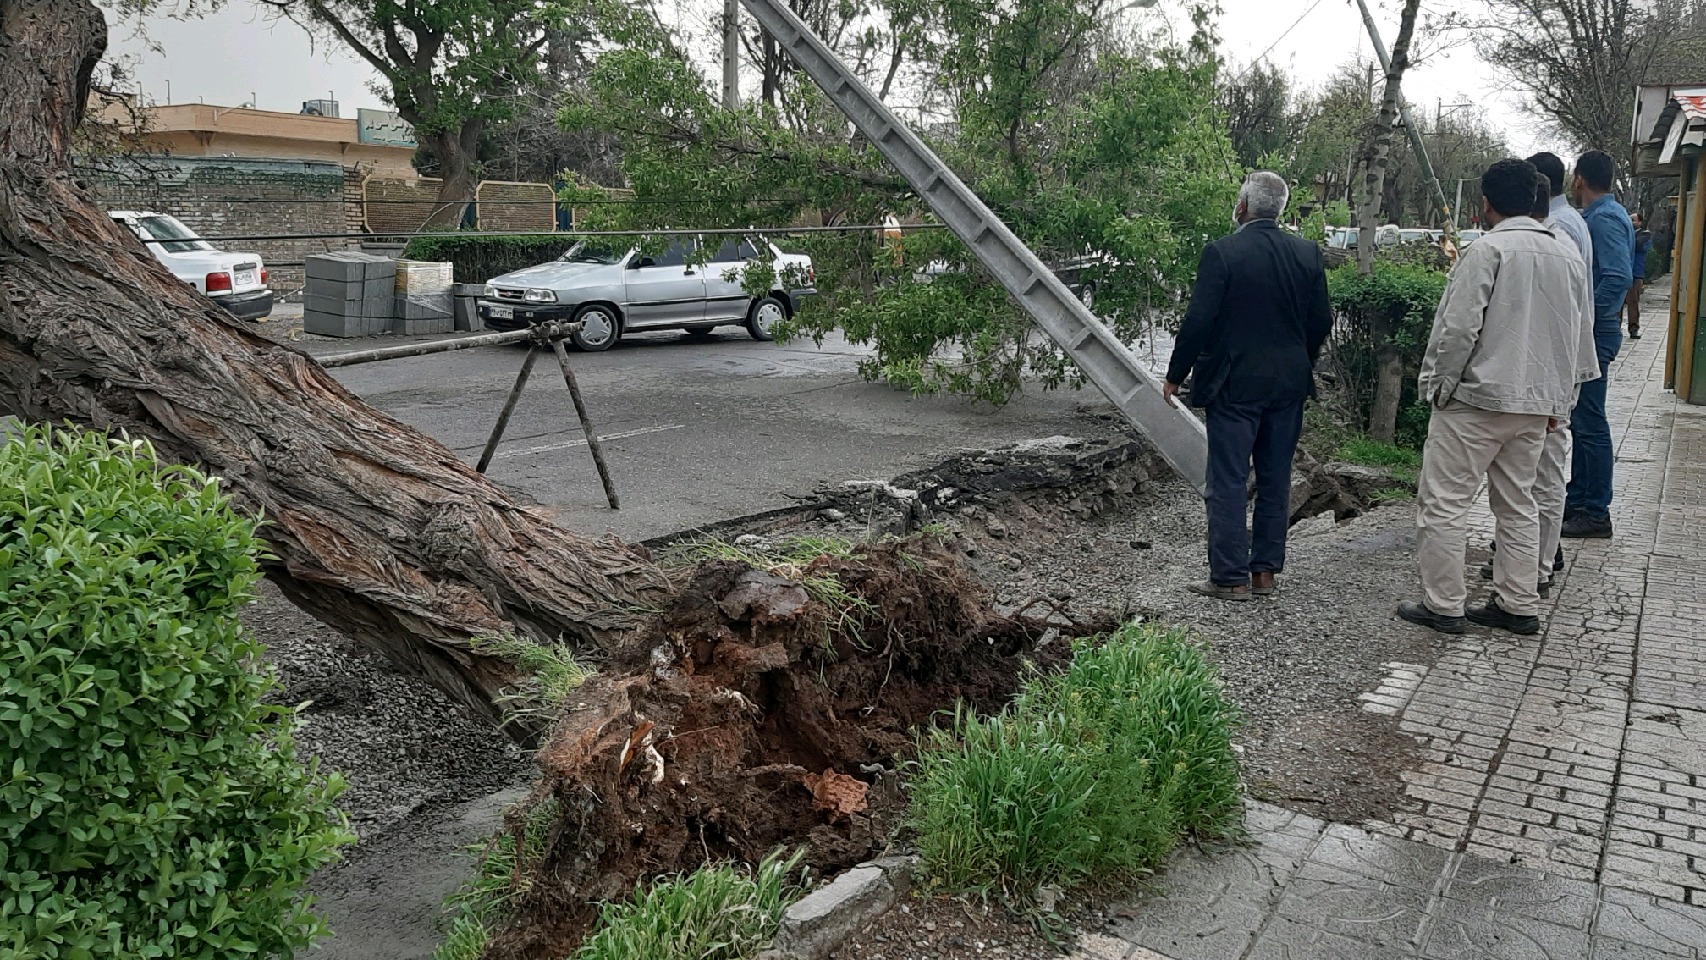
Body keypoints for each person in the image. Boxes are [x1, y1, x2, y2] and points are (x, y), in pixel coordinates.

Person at [1397, 159, 1589, 636]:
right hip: (1537, 404)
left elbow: (1459, 327)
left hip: (1477, 400)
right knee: (1519, 503)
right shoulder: (1566, 254)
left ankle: (1444, 605)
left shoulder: (1488, 250)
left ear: (1486, 203)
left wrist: (1439, 385)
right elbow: (1575, 338)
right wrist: (1559, 403)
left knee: (1444, 502)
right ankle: (1518, 602)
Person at [1164, 171, 1332, 601]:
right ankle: (1264, 575)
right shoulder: (1307, 253)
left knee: (1229, 480)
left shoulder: (1223, 253)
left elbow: (1198, 320)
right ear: (1281, 210)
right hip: (1288, 386)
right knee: (1276, 480)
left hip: (1233, 385)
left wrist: (1176, 373)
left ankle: (1229, 577)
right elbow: (1321, 322)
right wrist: (1300, 360)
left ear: (1243, 206)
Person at [1480, 153, 1596, 587]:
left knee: (1536, 479)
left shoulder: (1553, 237)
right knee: (1540, 478)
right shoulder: (1569, 230)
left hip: (1542, 377)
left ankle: (1533, 572)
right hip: (1556, 373)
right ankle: (1536, 566)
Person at [1562, 150, 1634, 540]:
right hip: (1594, 331)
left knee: (1590, 422)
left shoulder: (1603, 219)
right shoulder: (1603, 215)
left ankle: (1595, 510)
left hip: (1594, 335)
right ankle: (1580, 499)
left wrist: (1587, 320)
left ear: (1578, 179)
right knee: (1583, 419)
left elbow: (1618, 277)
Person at [1627, 213, 1651, 340]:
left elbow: (1638, 245)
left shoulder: (1645, 235)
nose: (1630, 222)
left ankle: (1633, 328)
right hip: (1624, 271)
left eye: (1633, 220)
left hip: (1635, 273)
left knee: (1633, 301)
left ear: (1640, 222)